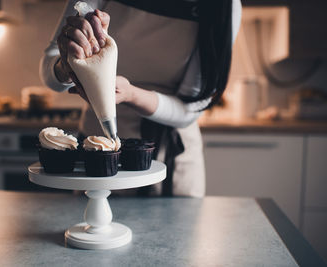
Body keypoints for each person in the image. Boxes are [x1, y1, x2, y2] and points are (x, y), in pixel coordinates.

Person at [40, 0, 242, 197]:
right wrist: (67, 67)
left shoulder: (223, 6)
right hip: (99, 149)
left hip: (171, 156)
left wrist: (131, 94)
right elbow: (52, 70)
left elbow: (189, 109)